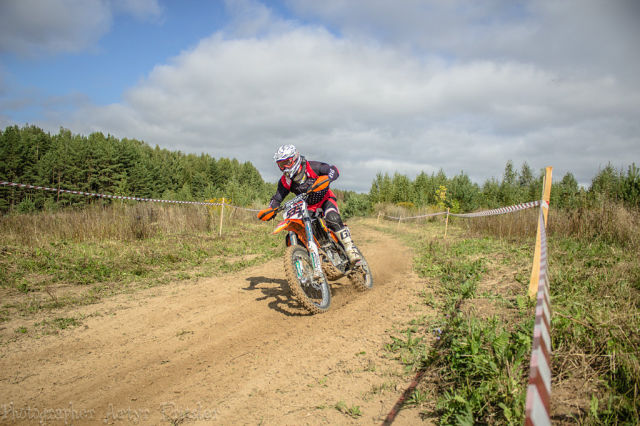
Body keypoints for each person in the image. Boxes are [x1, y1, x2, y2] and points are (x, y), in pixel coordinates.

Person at [266, 144, 361, 264]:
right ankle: (311, 261)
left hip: (325, 199)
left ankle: (350, 249)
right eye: (280, 164)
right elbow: (277, 197)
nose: (284, 167)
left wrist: (326, 179)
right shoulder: (286, 180)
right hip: (308, 207)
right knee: (299, 229)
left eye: (287, 163)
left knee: (332, 217)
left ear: (295, 159)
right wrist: (271, 209)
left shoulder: (312, 167)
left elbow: (333, 170)